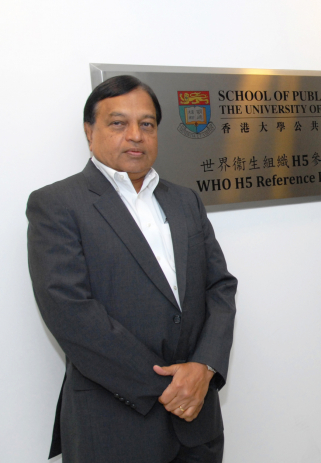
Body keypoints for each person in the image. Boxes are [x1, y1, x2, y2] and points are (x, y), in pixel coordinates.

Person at [27, 75, 237, 463]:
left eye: (147, 124)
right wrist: (169, 388)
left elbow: (220, 288)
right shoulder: (57, 204)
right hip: (114, 424)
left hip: (197, 421)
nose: (135, 136)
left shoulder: (185, 200)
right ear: (90, 132)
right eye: (118, 123)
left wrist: (204, 367)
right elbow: (69, 311)